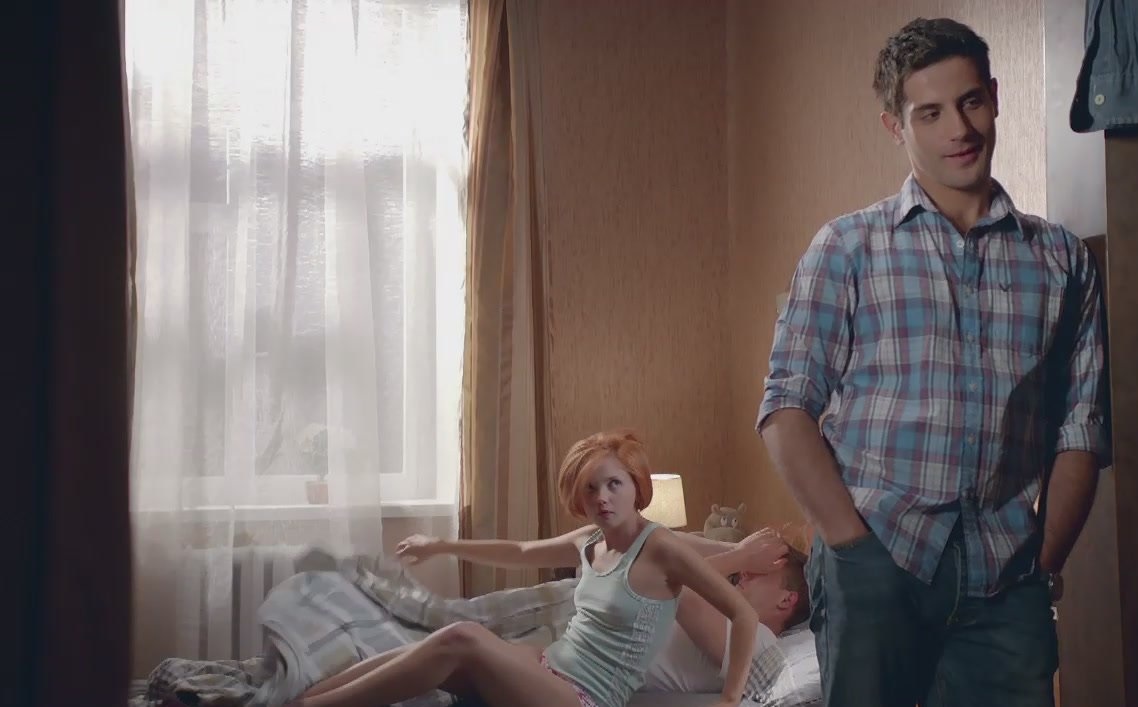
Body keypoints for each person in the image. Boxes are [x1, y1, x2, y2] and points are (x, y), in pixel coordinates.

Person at [757, 17, 1109, 707]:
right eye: (931, 112)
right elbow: (786, 409)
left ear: (995, 97)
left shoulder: (1061, 259)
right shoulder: (848, 248)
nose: (960, 129)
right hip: (877, 562)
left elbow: (1082, 428)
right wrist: (852, 548)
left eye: (971, 101)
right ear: (895, 125)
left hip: (1009, 580)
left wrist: (1044, 562)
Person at [288, 430, 761, 707]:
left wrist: (730, 700)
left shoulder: (662, 548)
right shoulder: (590, 539)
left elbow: (742, 614)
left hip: (586, 697)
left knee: (463, 636)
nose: (601, 498)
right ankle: (301, 698)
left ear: (637, 486)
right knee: (434, 650)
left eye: (614, 484)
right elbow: (518, 550)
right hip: (548, 666)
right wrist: (440, 545)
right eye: (590, 488)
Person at [642, 546, 810, 694]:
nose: (744, 572)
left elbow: (675, 584)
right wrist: (738, 549)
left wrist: (741, 556)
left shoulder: (759, 641)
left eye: (763, 570)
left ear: (786, 600)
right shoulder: (728, 610)